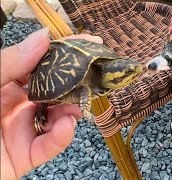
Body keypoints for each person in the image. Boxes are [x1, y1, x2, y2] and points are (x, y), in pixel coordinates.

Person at [1, 28, 103, 180]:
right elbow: (83, 91)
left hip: (55, 83)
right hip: (49, 85)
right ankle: (42, 106)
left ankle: (43, 106)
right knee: (51, 103)